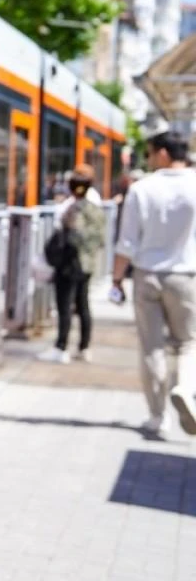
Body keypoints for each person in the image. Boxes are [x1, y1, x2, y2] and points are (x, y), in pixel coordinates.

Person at [112, 130, 196, 438]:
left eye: (149, 153)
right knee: (188, 343)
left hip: (146, 275)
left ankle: (157, 416)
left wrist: (117, 279)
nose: (147, 160)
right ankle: (186, 389)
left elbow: (127, 242)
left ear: (162, 153)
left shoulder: (142, 189)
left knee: (152, 348)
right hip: (187, 275)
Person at [38, 165, 107, 364]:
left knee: (64, 306)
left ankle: (61, 347)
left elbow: (71, 236)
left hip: (69, 265)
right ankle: (84, 346)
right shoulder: (96, 209)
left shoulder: (73, 209)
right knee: (83, 305)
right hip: (88, 265)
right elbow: (100, 239)